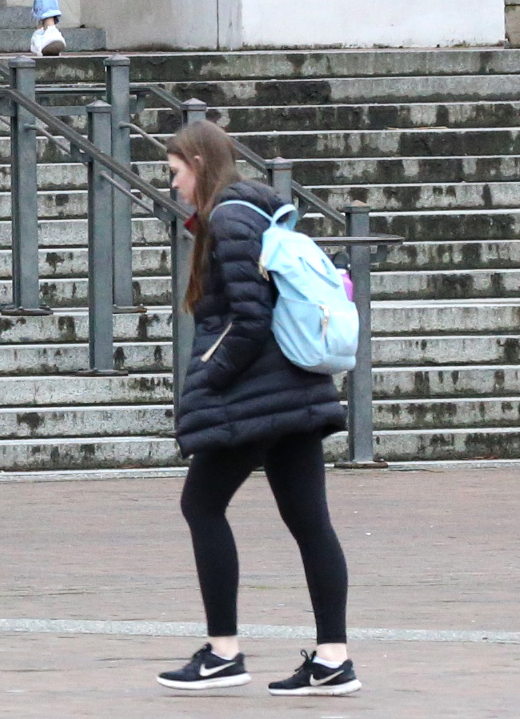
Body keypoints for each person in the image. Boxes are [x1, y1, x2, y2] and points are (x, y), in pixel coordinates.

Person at [156, 118, 359, 697]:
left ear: (198, 165)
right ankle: (333, 659)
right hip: (295, 393)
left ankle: (223, 652)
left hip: (256, 397)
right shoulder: (257, 213)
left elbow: (248, 320)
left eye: (175, 173)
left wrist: (208, 380)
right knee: (310, 524)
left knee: (201, 504)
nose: (173, 186)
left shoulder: (229, 219)